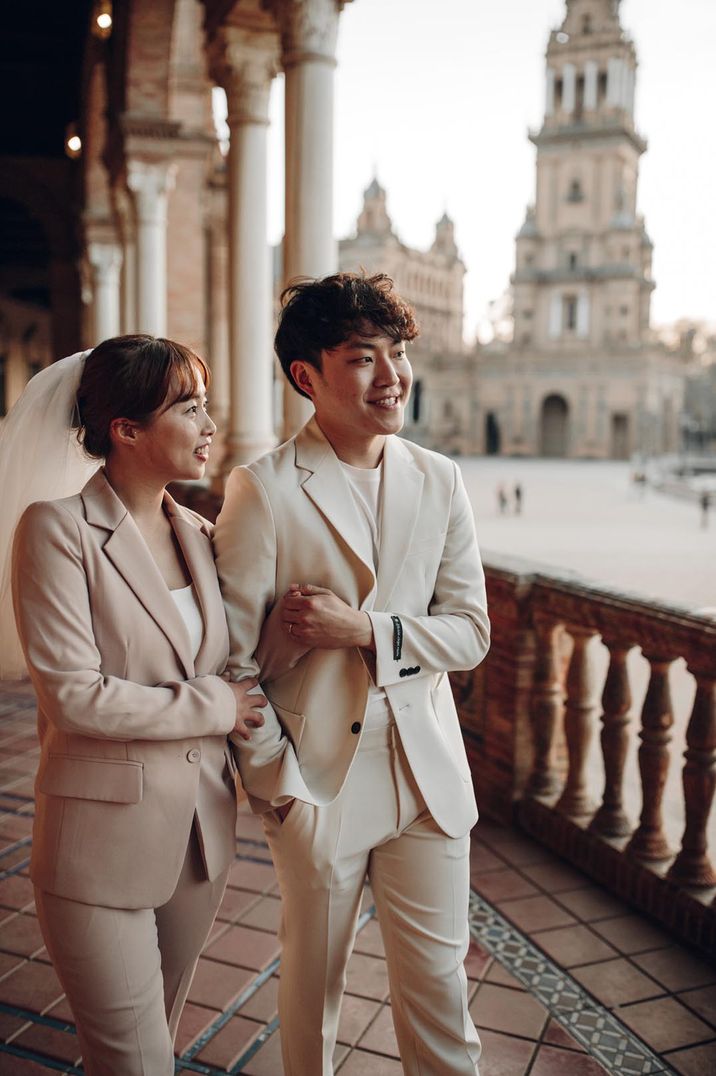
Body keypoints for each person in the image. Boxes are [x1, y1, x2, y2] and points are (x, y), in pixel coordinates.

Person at [215, 272, 490, 1075]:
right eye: (363, 357)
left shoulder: (440, 478)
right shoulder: (261, 490)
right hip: (321, 784)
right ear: (308, 375)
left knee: (443, 997)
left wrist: (362, 629)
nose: (392, 375)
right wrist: (281, 792)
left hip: (429, 782)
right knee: (313, 997)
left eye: (397, 353)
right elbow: (235, 669)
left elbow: (470, 632)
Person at [1, 335, 267, 1076]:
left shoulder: (204, 537)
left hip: (199, 844)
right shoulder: (56, 531)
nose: (209, 424)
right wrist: (216, 706)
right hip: (97, 850)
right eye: (188, 407)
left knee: (151, 1048)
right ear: (126, 430)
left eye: (206, 405)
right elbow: (75, 696)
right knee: (138, 1062)